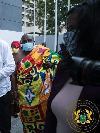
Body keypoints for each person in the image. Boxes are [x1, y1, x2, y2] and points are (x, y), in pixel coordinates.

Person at [44, 0, 100, 132]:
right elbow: (51, 118)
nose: (68, 36)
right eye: (68, 30)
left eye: (74, 30)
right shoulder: (65, 68)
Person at [11, 34, 61, 133]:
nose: (27, 43)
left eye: (29, 40)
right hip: (24, 95)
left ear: (33, 42)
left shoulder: (41, 52)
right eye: (24, 41)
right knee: (27, 117)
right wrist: (15, 92)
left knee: (44, 116)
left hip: (41, 94)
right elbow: (13, 75)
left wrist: (50, 64)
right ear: (21, 43)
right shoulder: (17, 57)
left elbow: (57, 60)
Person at [10, 41, 21, 118]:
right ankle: (11, 111)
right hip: (9, 78)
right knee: (11, 96)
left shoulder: (21, 56)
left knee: (17, 95)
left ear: (19, 48)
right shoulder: (9, 56)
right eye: (13, 47)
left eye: (16, 47)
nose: (15, 49)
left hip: (18, 79)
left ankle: (17, 110)